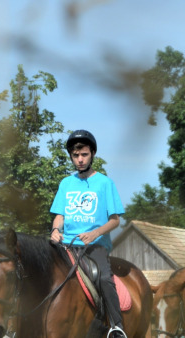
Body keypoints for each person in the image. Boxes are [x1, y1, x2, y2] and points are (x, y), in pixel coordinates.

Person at [50, 130, 126, 338]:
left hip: (94, 247)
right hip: (66, 244)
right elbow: (59, 216)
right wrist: (56, 230)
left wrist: (95, 234)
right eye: (76, 156)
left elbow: (115, 220)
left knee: (104, 279)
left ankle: (117, 327)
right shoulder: (66, 184)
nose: (80, 159)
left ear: (92, 154)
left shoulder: (105, 183)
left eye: (84, 154)